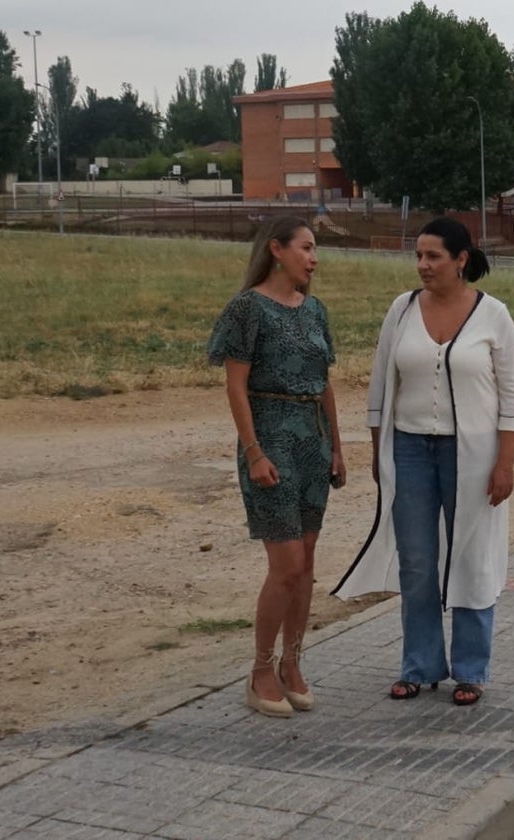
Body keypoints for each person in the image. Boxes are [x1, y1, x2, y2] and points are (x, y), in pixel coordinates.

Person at [332, 216, 514, 707]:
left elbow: (513, 396)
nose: (422, 265)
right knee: (416, 562)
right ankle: (419, 664)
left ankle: (470, 669)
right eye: (418, 255)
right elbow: (379, 386)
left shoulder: (494, 315)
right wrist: (378, 450)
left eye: (433, 256)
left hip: (474, 455)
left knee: (471, 556)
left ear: (461, 260)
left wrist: (505, 462)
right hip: (410, 451)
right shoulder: (401, 311)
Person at [208, 215, 346, 718]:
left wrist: (337, 447)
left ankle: (293, 663)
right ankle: (260, 669)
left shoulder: (315, 311)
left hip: (313, 442)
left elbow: (324, 381)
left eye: (316, 249)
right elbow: (235, 386)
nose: (314, 257)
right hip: (271, 441)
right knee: (285, 565)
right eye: (307, 247)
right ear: (277, 250)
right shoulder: (247, 309)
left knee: (307, 564)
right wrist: (253, 451)